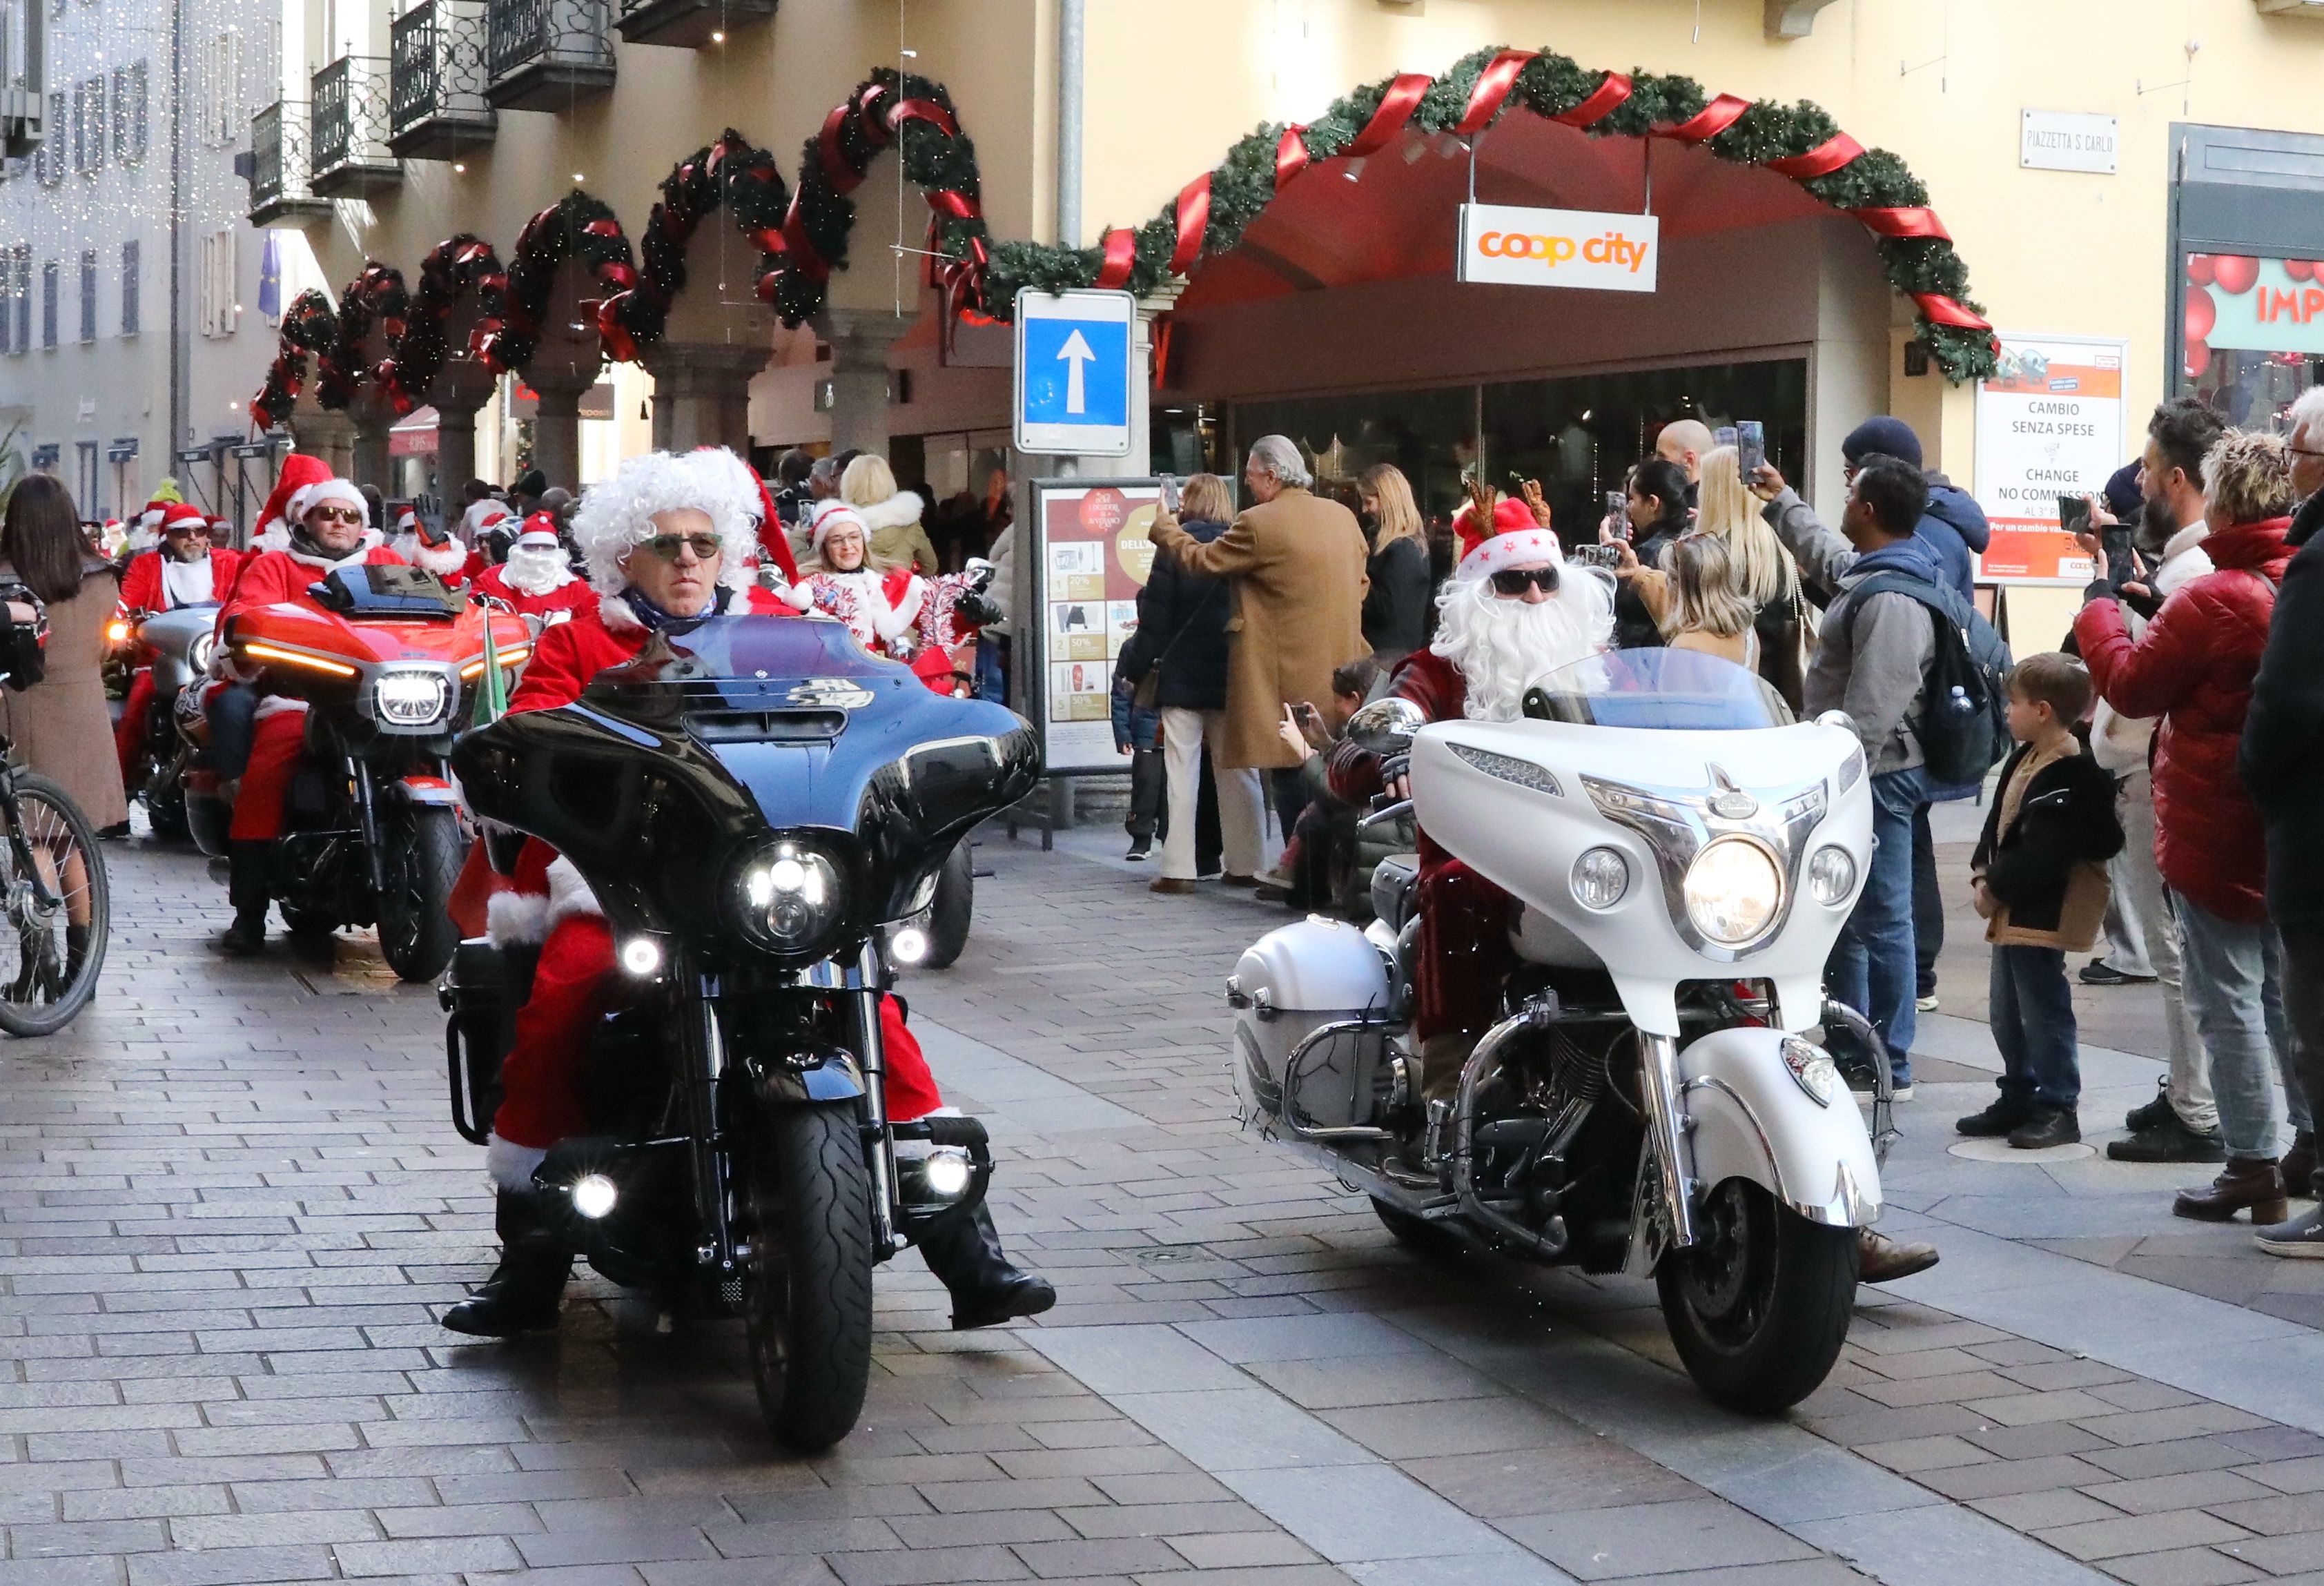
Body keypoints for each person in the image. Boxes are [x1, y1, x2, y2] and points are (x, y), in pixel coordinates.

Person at [442, 449, 1052, 1337]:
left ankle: (967, 1248)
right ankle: (528, 1258)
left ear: (726, 549)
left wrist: (950, 725)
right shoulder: (581, 640)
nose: (688, 559)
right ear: (624, 557)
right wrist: (518, 764)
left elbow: (884, 695)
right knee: (564, 993)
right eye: (666, 544)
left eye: (702, 542)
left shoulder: (786, 628)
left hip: (773, 877)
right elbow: (527, 736)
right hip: (630, 878)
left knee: (869, 1007)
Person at [2077, 427, 2303, 1226]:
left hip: (2215, 816)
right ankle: (2304, 1144)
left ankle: (2249, 1161)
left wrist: (2101, 616)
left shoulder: (2217, 593)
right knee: (2286, 992)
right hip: (2282, 817)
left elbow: (2134, 687)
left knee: (2225, 995)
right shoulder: (2293, 575)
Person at [1753, 458, 1942, 1098]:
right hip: (1860, 768)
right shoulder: (1875, 572)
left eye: (1850, 492)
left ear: (1867, 510)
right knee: (1851, 913)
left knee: (1884, 916)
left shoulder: (1891, 597)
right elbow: (1830, 557)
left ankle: (1889, 1058)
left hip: (1876, 773)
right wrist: (1783, 503)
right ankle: (1855, 1043)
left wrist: (1837, 773)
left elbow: (1876, 700)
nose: (1844, 497)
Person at [2091, 406, 2228, 1162]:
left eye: (2146, 468)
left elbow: (2144, 686)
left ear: (2176, 478)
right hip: (2157, 770)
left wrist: (2103, 616)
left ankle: (2198, 1105)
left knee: (2179, 950)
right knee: (2187, 950)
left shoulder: (2193, 571)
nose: (2138, 480)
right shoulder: (2185, 565)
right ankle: (2188, 1087)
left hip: (2161, 773)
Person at [1149, 437, 1369, 877]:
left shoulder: (1259, 522)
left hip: (1284, 668)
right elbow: (1362, 581)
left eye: (1250, 478)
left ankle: (1300, 873)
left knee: (1291, 769)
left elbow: (1203, 561)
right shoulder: (1342, 517)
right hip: (1342, 670)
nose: (1247, 488)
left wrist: (1167, 528)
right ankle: (1326, 873)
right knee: (1333, 771)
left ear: (1271, 476)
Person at [208, 479, 409, 954]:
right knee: (266, 775)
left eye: (350, 515)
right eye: (328, 514)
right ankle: (249, 911)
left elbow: (434, 608)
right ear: (306, 519)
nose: (340, 523)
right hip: (301, 701)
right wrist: (246, 635)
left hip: (385, 702)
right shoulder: (276, 565)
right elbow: (245, 613)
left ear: (364, 524)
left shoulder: (385, 565)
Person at [1955, 654, 2124, 1150]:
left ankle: (2057, 1103)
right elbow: (1998, 824)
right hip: (2015, 904)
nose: (2006, 712)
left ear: (2043, 710)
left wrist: (1996, 886)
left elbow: (2046, 850)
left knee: (2042, 1008)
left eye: (2013, 703)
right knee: (2006, 1011)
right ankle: (2018, 1092)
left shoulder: (2073, 768)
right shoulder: (2023, 755)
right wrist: (1982, 869)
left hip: (2043, 906)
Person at [2244, 386, 2324, 1253]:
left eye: (2296, 452)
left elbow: (2288, 698)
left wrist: (2255, 779)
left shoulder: (2316, 561)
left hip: (2315, 829)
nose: (2289, 467)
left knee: (2316, 1011)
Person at [0, 478, 126, 938]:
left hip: (19, 707)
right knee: (71, 839)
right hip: (83, 709)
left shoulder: (6, 578)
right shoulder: (100, 576)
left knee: (31, 838)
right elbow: (107, 651)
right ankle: (81, 965)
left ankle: (40, 958)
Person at [1124, 473, 1262, 893]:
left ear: (1190, 503)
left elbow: (1155, 620)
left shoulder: (1174, 547)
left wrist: (1134, 667)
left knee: (1182, 772)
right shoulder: (1241, 546)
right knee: (1239, 771)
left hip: (1182, 676)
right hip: (1231, 675)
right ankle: (1247, 864)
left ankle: (1179, 870)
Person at [114, 503, 242, 790]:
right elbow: (126, 600)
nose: (193, 538)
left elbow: (250, 588)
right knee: (136, 710)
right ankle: (120, 791)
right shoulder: (147, 565)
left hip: (219, 657)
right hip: (161, 659)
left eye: (200, 531)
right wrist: (120, 620)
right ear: (167, 537)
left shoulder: (229, 562)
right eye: (183, 532)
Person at [1840, 418, 1991, 603]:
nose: (1849, 482)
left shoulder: (1926, 532)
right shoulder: (1898, 522)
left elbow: (1902, 614)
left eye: (1853, 472)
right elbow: (1866, 606)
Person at [786, 501, 930, 663]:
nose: (847, 546)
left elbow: (935, 611)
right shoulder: (808, 586)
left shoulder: (893, 579)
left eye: (854, 537)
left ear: (864, 541)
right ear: (825, 547)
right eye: (837, 540)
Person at [1607, 458, 1691, 650]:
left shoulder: (1651, 554)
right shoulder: (1695, 545)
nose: (1628, 509)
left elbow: (1614, 605)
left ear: (1653, 503)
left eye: (1632, 499)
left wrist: (1609, 550)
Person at [1356, 463, 1432, 667]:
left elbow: (1388, 610)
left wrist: (1355, 582)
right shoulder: (1408, 546)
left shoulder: (1402, 549)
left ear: (1386, 499)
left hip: (1387, 660)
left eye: (1368, 501)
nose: (1365, 509)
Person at [468, 520, 597, 624]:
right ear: (518, 550)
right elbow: (471, 613)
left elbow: (591, 623)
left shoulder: (575, 587)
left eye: (547, 548)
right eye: (531, 547)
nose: (539, 554)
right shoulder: (491, 579)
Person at [841, 454, 940, 577]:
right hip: (900, 592)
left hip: (855, 593)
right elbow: (930, 565)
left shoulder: (841, 523)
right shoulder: (908, 520)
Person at [1111, 657, 1165, 862]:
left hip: (1173, 723)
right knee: (1146, 784)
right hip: (1146, 728)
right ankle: (1142, 839)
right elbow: (1121, 694)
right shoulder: (1134, 648)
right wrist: (1123, 734)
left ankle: (1170, 838)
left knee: (1174, 788)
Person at [389, 505, 483, 589]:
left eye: (421, 531)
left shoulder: (451, 561)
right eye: (410, 530)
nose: (416, 535)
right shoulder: (387, 555)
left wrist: (437, 548)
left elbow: (450, 591)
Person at [1654, 418, 1714, 498]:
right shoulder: (1725, 500)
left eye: (1662, 458)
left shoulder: (1681, 506)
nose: (1655, 463)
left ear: (1689, 461)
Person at [772, 447, 815, 530]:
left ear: (788, 480)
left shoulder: (785, 509)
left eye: (780, 478)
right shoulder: (818, 502)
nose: (780, 484)